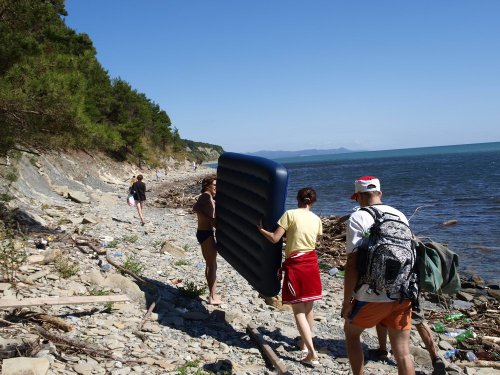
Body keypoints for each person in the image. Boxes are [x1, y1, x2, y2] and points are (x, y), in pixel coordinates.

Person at [342, 176, 415, 375]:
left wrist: (347, 301)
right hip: (402, 292)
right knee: (403, 353)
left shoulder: (358, 217)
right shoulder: (399, 215)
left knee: (351, 334)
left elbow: (353, 264)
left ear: (359, 197)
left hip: (370, 295)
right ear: (380, 193)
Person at [258, 187, 323, 367]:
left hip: (297, 265)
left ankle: (312, 353)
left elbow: (274, 238)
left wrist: (261, 229)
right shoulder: (316, 219)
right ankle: (303, 344)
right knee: (309, 307)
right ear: (313, 201)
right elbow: (311, 241)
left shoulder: (290, 214)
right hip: (312, 264)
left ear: (298, 199)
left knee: (298, 310)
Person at [369, 308, 446, 374]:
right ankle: (435, 358)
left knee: (383, 316)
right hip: (411, 292)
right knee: (419, 320)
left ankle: (382, 350)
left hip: (389, 293)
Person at [193, 175, 222, 305]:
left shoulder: (207, 197)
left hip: (204, 232)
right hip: (206, 233)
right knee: (212, 265)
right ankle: (212, 296)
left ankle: (212, 294)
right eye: (215, 185)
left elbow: (196, 208)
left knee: (210, 264)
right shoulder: (206, 196)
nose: (217, 188)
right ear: (207, 186)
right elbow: (212, 220)